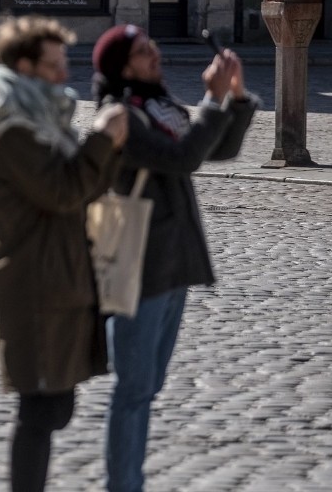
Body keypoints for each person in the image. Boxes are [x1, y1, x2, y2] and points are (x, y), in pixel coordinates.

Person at [0, 16, 128, 492]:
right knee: (41, 406)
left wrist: (105, 151)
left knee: (56, 405)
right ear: (25, 66)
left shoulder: (45, 119)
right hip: (31, 280)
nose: (64, 73)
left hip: (61, 274)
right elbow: (62, 190)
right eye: (54, 65)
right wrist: (102, 139)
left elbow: (84, 187)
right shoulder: (12, 129)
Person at [90, 24, 259, 492]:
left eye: (152, 47)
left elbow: (215, 148)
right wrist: (211, 97)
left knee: (147, 387)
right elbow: (183, 158)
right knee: (133, 390)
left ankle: (129, 480)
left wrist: (236, 97)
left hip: (172, 264)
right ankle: (123, 485)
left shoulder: (159, 108)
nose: (155, 55)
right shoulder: (120, 116)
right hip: (137, 265)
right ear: (122, 68)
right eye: (144, 53)